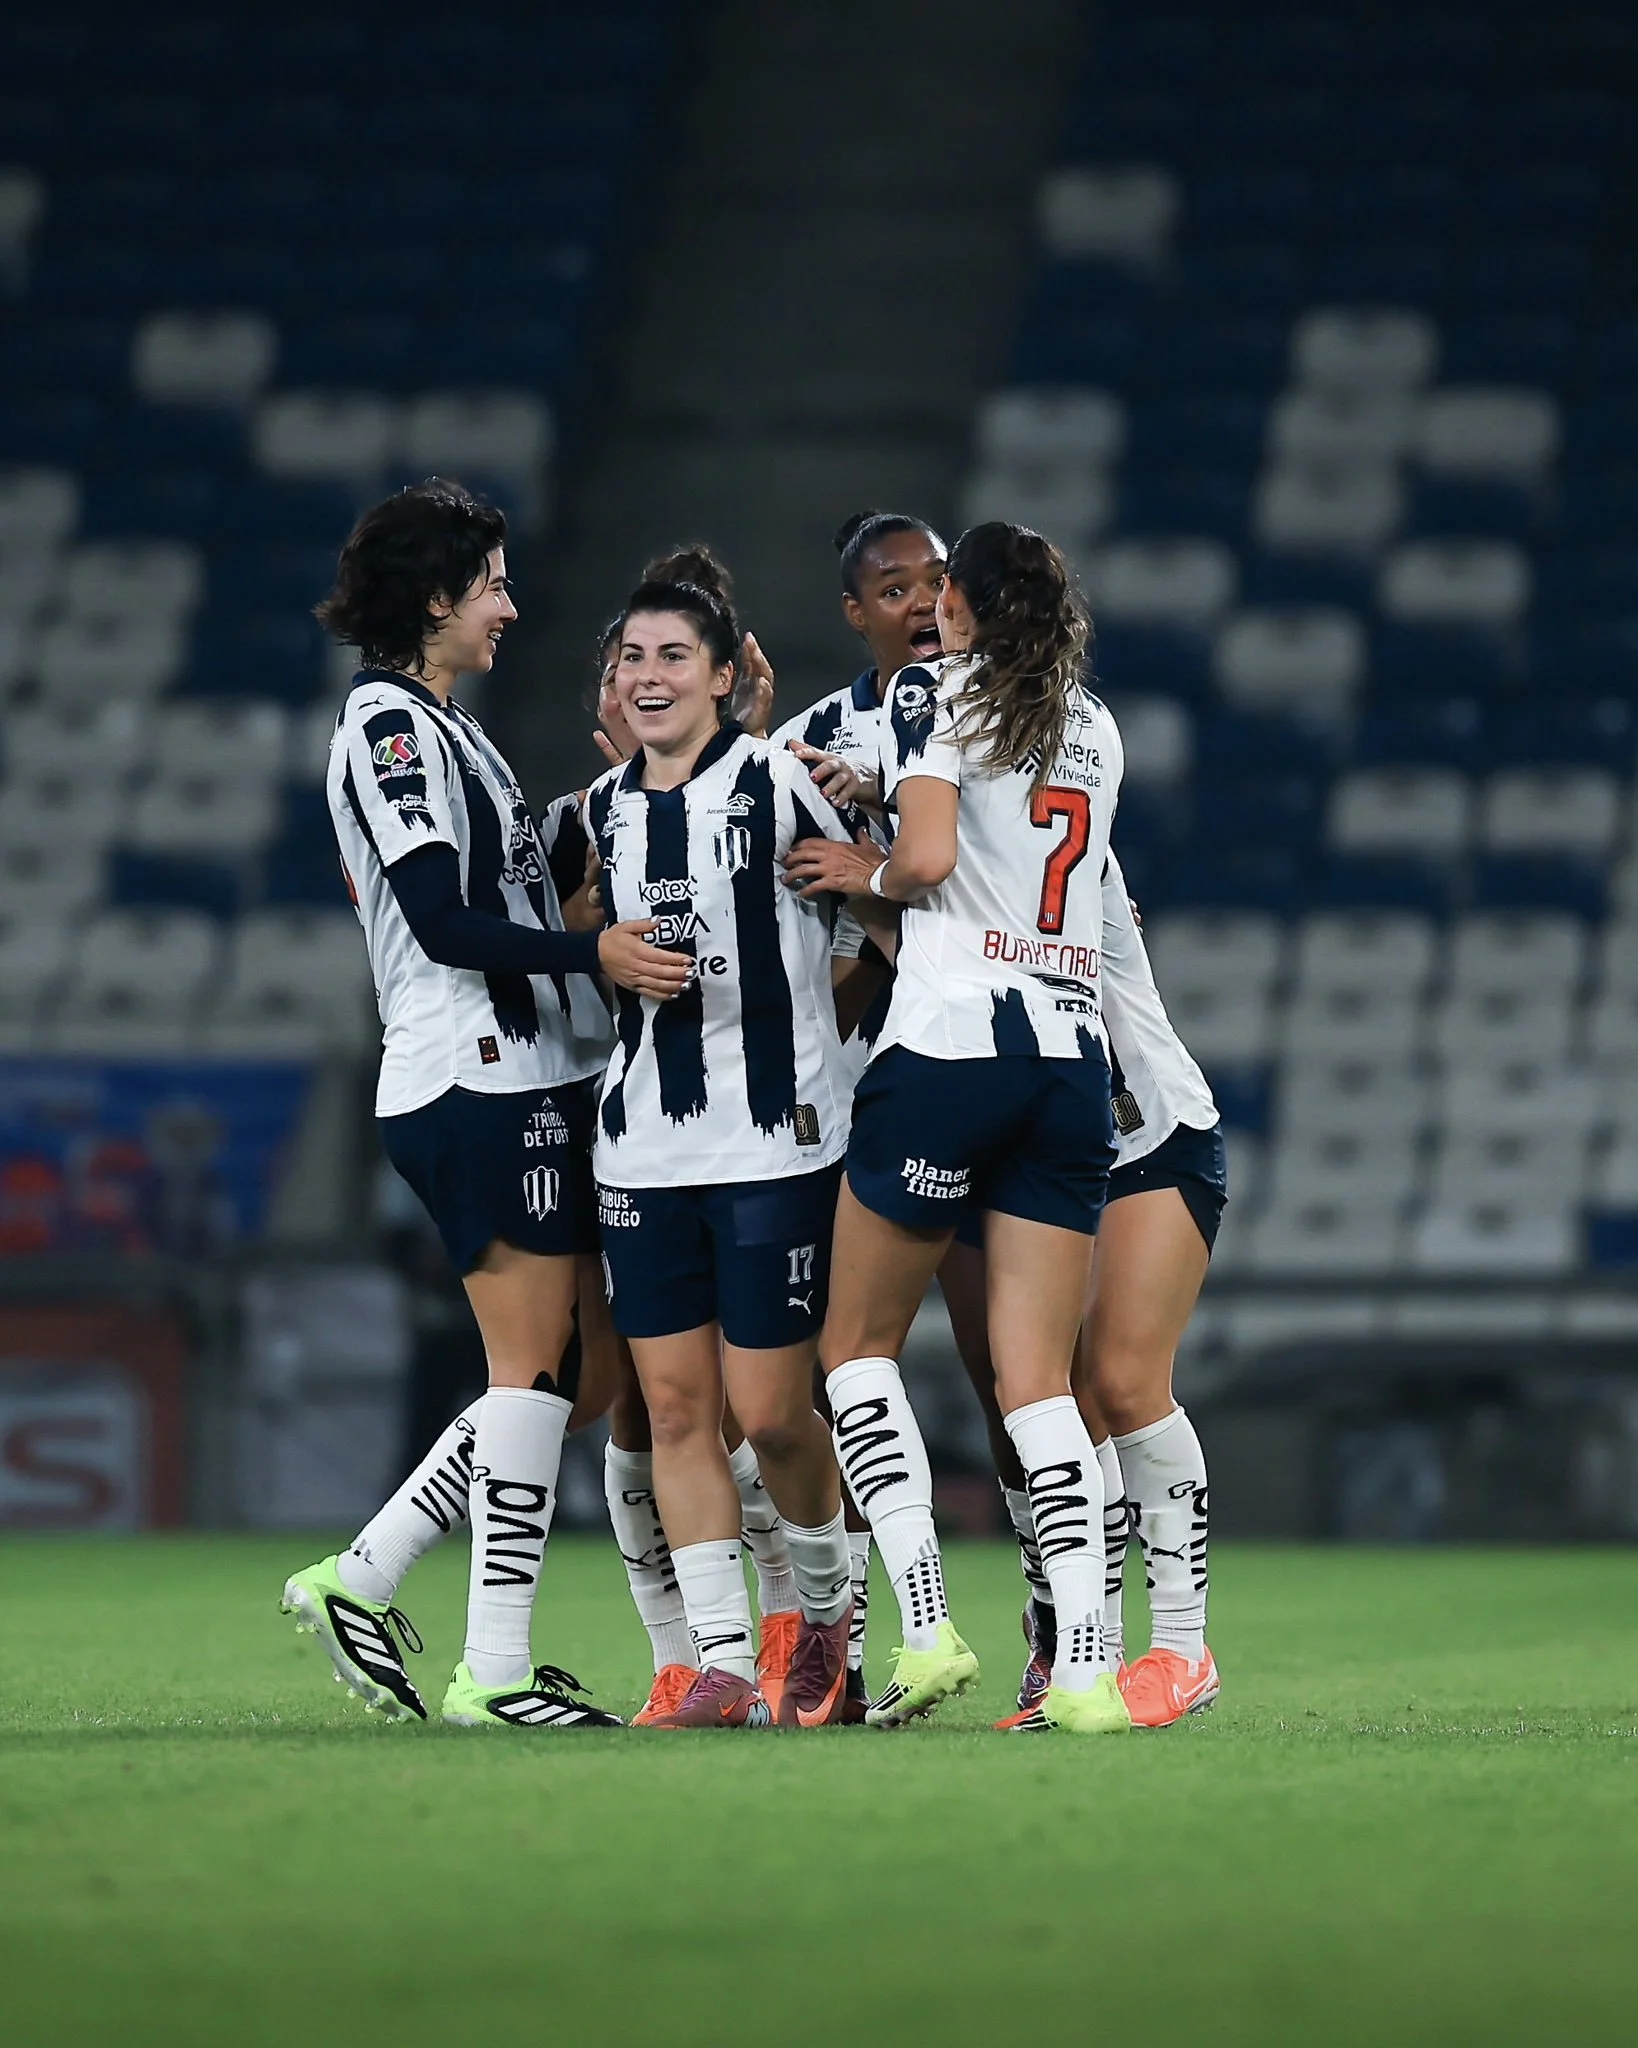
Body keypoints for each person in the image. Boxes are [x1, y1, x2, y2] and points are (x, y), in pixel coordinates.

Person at [280, 478, 692, 1730]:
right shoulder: (389, 730)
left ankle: (365, 1571)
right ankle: (493, 1667)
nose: (509, 607)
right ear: (435, 597)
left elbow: (513, 888)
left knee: (589, 1374)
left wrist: (627, 800)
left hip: (530, 1072)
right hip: (471, 1071)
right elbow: (445, 923)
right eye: (493, 585)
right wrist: (596, 957)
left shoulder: (452, 728)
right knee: (536, 1366)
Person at [785, 520, 1130, 1734]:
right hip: (1068, 1060)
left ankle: (926, 1624)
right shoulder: (1094, 724)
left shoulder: (937, 690)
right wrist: (891, 789)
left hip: (948, 1047)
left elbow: (929, 859)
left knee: (855, 1348)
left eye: (941, 590)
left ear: (968, 609)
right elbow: (1006, 830)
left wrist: (856, 866)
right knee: (1038, 1380)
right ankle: (1088, 1665)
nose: (929, 607)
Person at [583, 548, 861, 1729]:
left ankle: (833, 1623)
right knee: (678, 1411)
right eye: (632, 657)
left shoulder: (779, 784)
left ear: (721, 675)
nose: (650, 676)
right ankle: (725, 1662)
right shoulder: (594, 812)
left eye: (672, 657)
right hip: (641, 1149)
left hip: (774, 1144)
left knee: (774, 1412)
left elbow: (878, 911)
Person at [938, 851, 1225, 1728]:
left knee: (1121, 1382)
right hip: (1043, 1151)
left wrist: (876, 878)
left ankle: (1181, 1648)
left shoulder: (1005, 854)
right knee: (1051, 1403)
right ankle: (1079, 1654)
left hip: (1147, 1133)